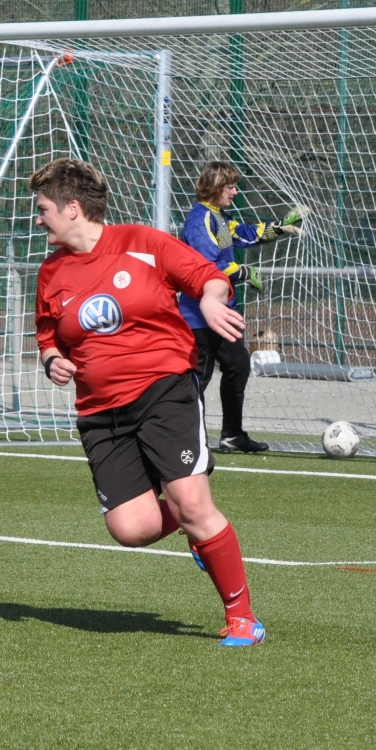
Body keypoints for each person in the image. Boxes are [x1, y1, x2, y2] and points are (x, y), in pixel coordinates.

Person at [33, 158, 265, 647]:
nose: (38, 219)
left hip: (165, 388)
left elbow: (209, 277)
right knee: (130, 528)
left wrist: (210, 299)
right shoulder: (51, 272)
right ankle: (195, 527)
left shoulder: (143, 242)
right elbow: (48, 334)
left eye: (44, 209)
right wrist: (52, 358)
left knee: (192, 502)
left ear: (72, 208)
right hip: (100, 412)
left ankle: (242, 618)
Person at [179, 161, 306, 453]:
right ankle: (190, 439)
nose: (235, 192)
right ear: (215, 187)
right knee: (198, 378)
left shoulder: (219, 217)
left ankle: (232, 435)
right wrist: (244, 272)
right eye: (230, 186)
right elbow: (208, 265)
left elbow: (245, 234)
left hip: (224, 313)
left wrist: (280, 227)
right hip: (200, 315)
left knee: (238, 365)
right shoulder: (200, 219)